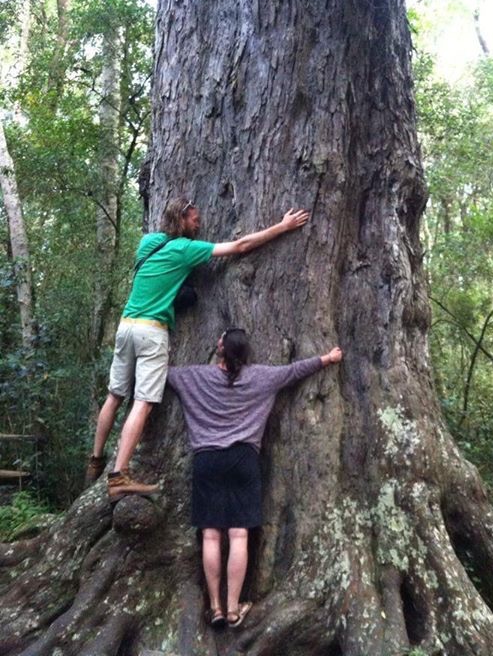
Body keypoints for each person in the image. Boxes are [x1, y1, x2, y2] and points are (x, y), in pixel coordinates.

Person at [85, 197, 310, 501]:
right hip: (151, 331)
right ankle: (118, 476)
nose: (199, 223)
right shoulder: (185, 249)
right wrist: (282, 227)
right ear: (182, 218)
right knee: (144, 401)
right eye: (194, 218)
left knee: (114, 395)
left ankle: (96, 460)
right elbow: (240, 246)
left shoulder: (148, 243)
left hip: (126, 326)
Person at [167, 328, 342, 628]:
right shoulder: (261, 377)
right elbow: (294, 370)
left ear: (220, 348)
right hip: (243, 460)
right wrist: (327, 358)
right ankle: (234, 609)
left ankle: (215, 608)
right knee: (238, 535)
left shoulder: (194, 376)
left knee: (210, 534)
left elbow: (163, 372)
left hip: (207, 460)